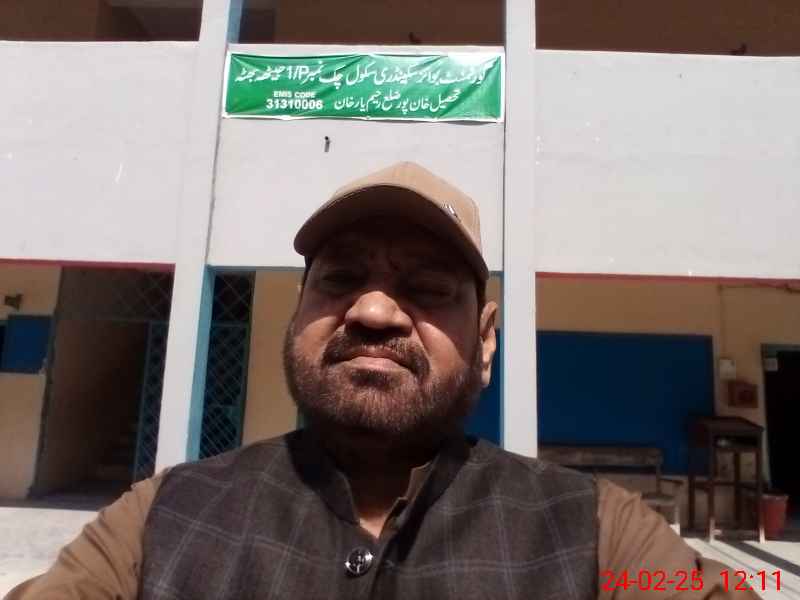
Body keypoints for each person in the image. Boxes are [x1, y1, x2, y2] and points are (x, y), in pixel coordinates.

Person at [7, 162, 759, 600]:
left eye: (426, 289)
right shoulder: (159, 522)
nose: (372, 312)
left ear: (485, 342)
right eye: (339, 280)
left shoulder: (600, 535)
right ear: (296, 315)